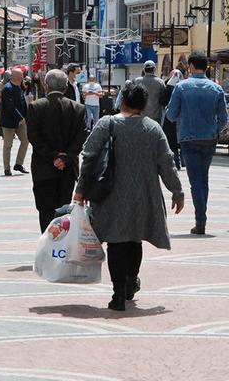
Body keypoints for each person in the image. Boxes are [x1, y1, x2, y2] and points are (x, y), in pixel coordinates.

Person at [74, 84, 184, 311]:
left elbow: (89, 157)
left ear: (122, 100)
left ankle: (118, 293)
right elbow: (166, 162)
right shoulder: (153, 129)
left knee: (116, 242)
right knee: (134, 239)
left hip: (110, 194)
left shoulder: (107, 123)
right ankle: (131, 283)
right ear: (143, 105)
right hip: (143, 194)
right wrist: (177, 190)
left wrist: (81, 189)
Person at [166, 52, 227, 235]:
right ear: (206, 66)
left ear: (191, 66)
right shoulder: (216, 89)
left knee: (196, 181)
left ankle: (200, 220)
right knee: (204, 179)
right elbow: (223, 118)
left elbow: (170, 115)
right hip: (209, 138)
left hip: (188, 138)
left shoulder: (182, 87)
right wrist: (214, 129)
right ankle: (202, 217)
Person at [26, 69, 87, 233]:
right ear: (66, 87)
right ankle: (61, 247)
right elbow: (80, 138)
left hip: (43, 169)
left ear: (46, 85)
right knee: (63, 211)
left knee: (45, 211)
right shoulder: (78, 109)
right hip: (67, 169)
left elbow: (34, 137)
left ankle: (47, 244)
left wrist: (53, 157)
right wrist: (65, 158)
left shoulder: (36, 107)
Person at [1, 69, 29, 176]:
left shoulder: (19, 87)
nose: (22, 79)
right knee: (8, 145)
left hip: (21, 121)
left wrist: (26, 117)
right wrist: (20, 118)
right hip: (9, 122)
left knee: (25, 140)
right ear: (15, 77)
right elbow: (10, 107)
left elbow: (22, 104)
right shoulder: (7, 89)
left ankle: (18, 164)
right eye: (21, 77)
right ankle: (7, 168)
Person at [161, 70, 182, 170]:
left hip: (169, 118)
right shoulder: (183, 85)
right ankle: (179, 162)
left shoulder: (167, 86)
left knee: (171, 142)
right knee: (179, 142)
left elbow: (163, 101)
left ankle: (174, 163)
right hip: (181, 118)